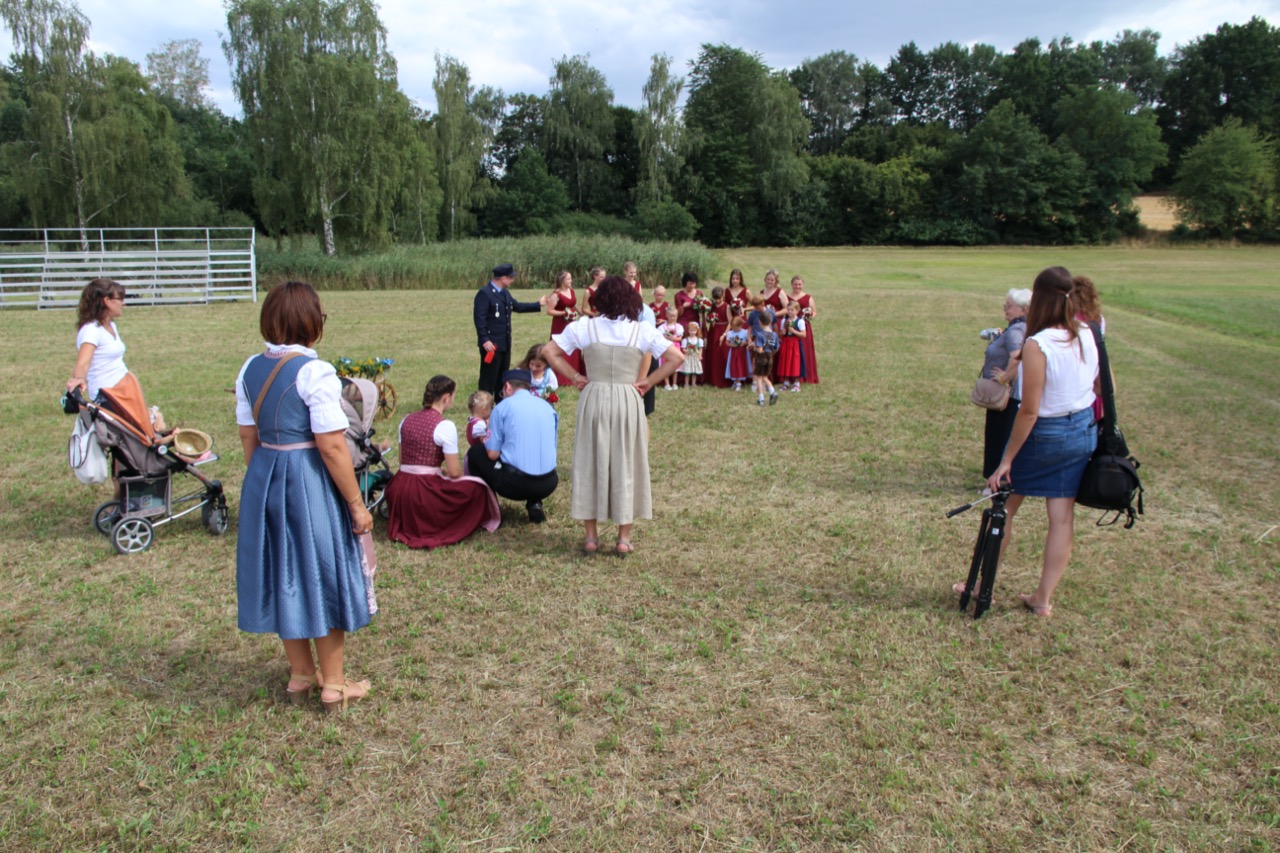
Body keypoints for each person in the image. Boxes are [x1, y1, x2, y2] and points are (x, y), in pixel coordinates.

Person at [234, 281, 374, 714]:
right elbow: (331, 446)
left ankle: (300, 674)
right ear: (312, 323)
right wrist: (356, 504)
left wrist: (263, 483)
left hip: (264, 474)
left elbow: (248, 435)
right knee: (323, 573)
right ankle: (334, 684)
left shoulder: (249, 368)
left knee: (283, 572)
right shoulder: (315, 372)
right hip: (307, 479)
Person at [972, 267, 1101, 619]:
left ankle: (982, 587)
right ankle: (1042, 598)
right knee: (1061, 517)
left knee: (1003, 508)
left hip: (1044, 433)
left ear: (1040, 298)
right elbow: (1103, 386)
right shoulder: (1089, 333)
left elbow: (1029, 411)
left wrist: (1006, 461)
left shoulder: (1038, 344)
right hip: (1081, 430)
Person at [542, 276, 684, 557]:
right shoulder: (641, 330)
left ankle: (591, 537)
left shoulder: (585, 326)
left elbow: (549, 351)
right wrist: (648, 381)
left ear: (601, 300)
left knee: (589, 460)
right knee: (626, 462)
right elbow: (676, 358)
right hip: (627, 398)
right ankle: (623, 538)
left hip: (593, 397)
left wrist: (575, 376)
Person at [385, 375, 501, 550]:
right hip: (422, 492)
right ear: (446, 397)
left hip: (399, 489)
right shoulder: (445, 426)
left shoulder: (405, 420)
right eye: (453, 396)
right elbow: (455, 472)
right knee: (478, 488)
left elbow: (403, 460)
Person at [465, 369, 559, 524]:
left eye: (502, 391)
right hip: (549, 482)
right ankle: (535, 502)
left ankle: (486, 510)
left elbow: (492, 454)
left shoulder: (502, 408)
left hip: (515, 483)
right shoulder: (548, 407)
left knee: (475, 453)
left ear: (508, 387)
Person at [979, 288, 1031, 484]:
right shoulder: (1019, 328)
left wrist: (1004, 378)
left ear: (1023, 309)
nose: (1005, 309)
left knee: (998, 437)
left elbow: (1016, 357)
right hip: (1013, 395)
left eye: (1009, 306)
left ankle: (996, 479)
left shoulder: (1016, 331)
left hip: (1006, 397)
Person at [474, 263, 543, 401]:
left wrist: (538, 304)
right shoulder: (485, 293)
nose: (513, 280)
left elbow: (517, 306)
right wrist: (484, 339)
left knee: (502, 377)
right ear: (503, 278)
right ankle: (483, 404)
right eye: (511, 278)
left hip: (504, 343)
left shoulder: (505, 293)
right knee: (488, 378)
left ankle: (501, 403)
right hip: (491, 345)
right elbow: (479, 318)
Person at [544, 270, 583, 385]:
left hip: (572, 322)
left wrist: (580, 313)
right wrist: (564, 313)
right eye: (568, 279)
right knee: (562, 345)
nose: (571, 281)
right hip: (560, 324)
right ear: (562, 280)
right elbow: (549, 311)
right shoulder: (556, 294)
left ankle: (575, 371)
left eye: (571, 278)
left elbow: (573, 304)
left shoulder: (571, 290)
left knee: (574, 343)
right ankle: (561, 377)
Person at [789, 274, 819, 384]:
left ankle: (805, 375)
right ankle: (791, 375)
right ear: (792, 285)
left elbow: (814, 311)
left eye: (799, 284)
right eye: (795, 284)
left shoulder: (808, 298)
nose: (797, 286)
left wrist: (809, 317)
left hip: (804, 327)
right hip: (791, 326)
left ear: (803, 285)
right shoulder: (788, 297)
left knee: (804, 350)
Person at [704, 286, 732, 389]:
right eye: (715, 299)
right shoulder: (711, 306)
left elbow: (730, 322)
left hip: (722, 330)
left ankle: (722, 379)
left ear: (723, 296)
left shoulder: (726, 306)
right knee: (713, 354)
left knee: (721, 354)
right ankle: (712, 379)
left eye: (719, 298)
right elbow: (707, 318)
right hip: (713, 330)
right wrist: (709, 319)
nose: (717, 301)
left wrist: (725, 334)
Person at [751, 312, 781, 406]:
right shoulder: (774, 335)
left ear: (760, 322)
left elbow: (760, 350)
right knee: (765, 377)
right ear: (770, 322)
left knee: (759, 378)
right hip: (770, 357)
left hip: (761, 358)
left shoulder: (759, 335)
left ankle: (761, 399)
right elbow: (776, 348)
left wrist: (754, 347)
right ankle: (772, 392)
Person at [777, 302, 808, 391]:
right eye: (788, 310)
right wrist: (783, 332)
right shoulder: (784, 320)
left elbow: (803, 334)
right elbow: (781, 333)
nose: (790, 312)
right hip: (786, 343)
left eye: (792, 310)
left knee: (796, 362)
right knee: (785, 361)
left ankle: (796, 383)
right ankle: (786, 382)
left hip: (795, 344)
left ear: (797, 311)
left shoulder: (800, 321)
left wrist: (793, 331)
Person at [722, 313, 751, 391]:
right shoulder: (730, 333)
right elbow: (727, 342)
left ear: (740, 325)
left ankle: (739, 382)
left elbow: (749, 341)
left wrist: (744, 343)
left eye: (736, 327)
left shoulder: (745, 332)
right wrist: (732, 345)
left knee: (740, 366)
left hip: (742, 353)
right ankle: (735, 381)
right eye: (733, 327)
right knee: (734, 366)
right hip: (734, 353)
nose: (734, 329)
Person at [657, 307, 683, 390]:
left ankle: (674, 383)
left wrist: (674, 339)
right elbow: (659, 338)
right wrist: (666, 338)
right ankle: (667, 384)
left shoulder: (678, 327)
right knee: (665, 365)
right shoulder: (662, 327)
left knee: (675, 365)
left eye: (674, 316)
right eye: (671, 316)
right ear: (667, 315)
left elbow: (680, 338)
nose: (673, 318)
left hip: (675, 347)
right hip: (666, 347)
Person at [680, 322, 704, 388]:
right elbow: (683, 348)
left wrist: (700, 355)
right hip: (688, 357)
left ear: (697, 331)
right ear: (688, 331)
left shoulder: (699, 340)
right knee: (687, 371)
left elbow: (700, 349)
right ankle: (686, 383)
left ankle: (693, 383)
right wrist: (687, 351)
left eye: (694, 330)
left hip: (695, 357)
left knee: (694, 372)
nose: (692, 332)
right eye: (691, 330)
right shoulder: (686, 340)